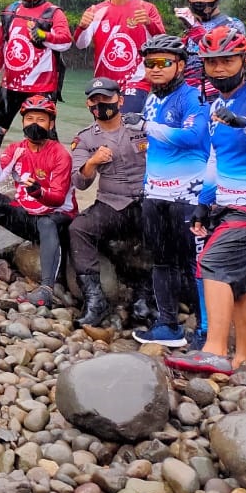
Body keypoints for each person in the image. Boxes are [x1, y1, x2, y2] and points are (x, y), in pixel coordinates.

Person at [166, 27, 246, 375]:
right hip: (229, 202)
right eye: (212, 63)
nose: (219, 69)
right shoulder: (216, 105)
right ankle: (245, 358)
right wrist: (204, 203)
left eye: (227, 61)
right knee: (244, 282)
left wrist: (244, 122)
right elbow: (214, 160)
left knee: (213, 263)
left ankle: (215, 350)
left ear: (245, 61)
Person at [126, 35, 211, 348]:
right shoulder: (152, 98)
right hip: (156, 192)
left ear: (181, 65)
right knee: (161, 260)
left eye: (164, 62)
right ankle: (168, 324)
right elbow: (153, 147)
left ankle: (206, 329)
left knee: (194, 262)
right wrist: (146, 185)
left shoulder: (193, 98)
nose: (155, 69)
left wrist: (147, 127)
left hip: (187, 195)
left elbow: (193, 135)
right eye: (150, 63)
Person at [0, 96, 75, 307]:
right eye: (29, 118)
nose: (34, 124)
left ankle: (46, 289)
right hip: (27, 215)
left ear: (51, 124)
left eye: (41, 119)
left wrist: (37, 191)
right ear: (22, 122)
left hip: (56, 218)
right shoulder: (17, 148)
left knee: (46, 221)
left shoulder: (60, 154)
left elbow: (58, 198)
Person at [67, 77, 150, 327]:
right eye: (95, 100)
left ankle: (146, 296)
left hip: (148, 201)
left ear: (120, 100)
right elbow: (80, 183)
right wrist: (92, 163)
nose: (101, 104)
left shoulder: (141, 127)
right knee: (79, 228)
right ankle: (95, 298)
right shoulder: (85, 139)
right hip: (112, 203)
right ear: (88, 105)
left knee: (166, 227)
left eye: (106, 98)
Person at [0, 0, 72, 146]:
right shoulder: (10, 11)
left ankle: (54, 173)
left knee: (44, 136)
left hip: (41, 88)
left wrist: (44, 35)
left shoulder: (53, 13)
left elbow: (66, 41)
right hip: (9, 87)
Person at [73, 0, 166, 115]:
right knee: (104, 126)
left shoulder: (146, 8)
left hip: (136, 80)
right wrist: (82, 26)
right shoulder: (96, 10)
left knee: (125, 121)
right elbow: (80, 44)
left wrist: (149, 23)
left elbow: (162, 43)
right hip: (103, 82)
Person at [175, 0, 246, 100]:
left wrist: (194, 27)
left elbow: (220, 50)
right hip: (188, 95)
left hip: (219, 94)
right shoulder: (187, 29)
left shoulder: (233, 24)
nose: (199, 0)